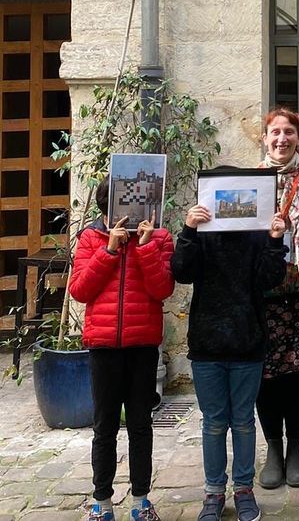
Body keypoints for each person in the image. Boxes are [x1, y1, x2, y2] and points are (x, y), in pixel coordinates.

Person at [170, 188, 289, 521]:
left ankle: (244, 490)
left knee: (243, 422)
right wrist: (188, 230)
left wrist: (275, 241)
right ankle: (213, 492)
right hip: (207, 345)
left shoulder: (255, 233)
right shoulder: (202, 234)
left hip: (247, 342)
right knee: (213, 423)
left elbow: (270, 279)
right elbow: (181, 272)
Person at [69, 177, 174, 521]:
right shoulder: (91, 237)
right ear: (107, 206)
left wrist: (144, 247)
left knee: (141, 425)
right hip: (104, 346)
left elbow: (162, 289)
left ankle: (141, 500)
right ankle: (102, 502)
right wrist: (109, 251)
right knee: (105, 426)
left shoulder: (159, 237)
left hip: (142, 345)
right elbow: (80, 290)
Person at [256, 107, 299, 489]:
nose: (282, 139)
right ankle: (273, 449)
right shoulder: (251, 180)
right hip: (263, 294)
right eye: (275, 132)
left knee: (296, 373)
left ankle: (295, 448)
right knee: (265, 375)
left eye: (289, 132)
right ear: (264, 138)